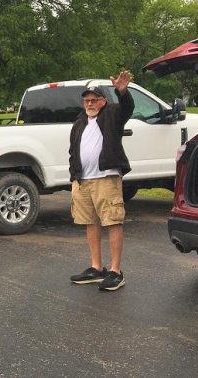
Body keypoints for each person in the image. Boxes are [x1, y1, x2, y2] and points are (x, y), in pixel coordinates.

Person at [69, 71, 134, 292]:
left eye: (94, 100)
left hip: (106, 179)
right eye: (86, 100)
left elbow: (127, 108)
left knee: (113, 221)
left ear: (103, 101)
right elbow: (72, 151)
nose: (90, 103)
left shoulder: (112, 115)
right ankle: (97, 268)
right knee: (90, 222)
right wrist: (74, 175)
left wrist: (122, 92)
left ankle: (116, 272)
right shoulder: (79, 123)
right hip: (83, 181)